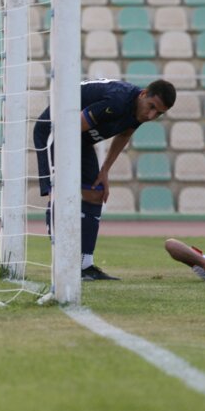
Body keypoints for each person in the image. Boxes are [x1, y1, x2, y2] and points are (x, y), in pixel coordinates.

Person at [34, 78, 176, 281]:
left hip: (80, 139)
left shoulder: (138, 111)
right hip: (55, 132)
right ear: (143, 94)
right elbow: (69, 128)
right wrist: (65, 170)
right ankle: (64, 262)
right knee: (58, 192)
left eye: (159, 113)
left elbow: (125, 134)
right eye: (151, 107)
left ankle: (85, 265)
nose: (151, 115)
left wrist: (105, 170)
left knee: (96, 191)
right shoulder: (118, 100)